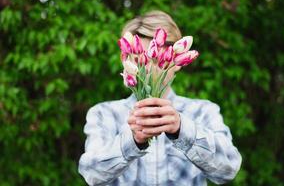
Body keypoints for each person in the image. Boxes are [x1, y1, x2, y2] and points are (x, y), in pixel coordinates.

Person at [78, 10, 242, 186]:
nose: (147, 69)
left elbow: (229, 169)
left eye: (157, 60)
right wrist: (132, 140)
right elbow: (92, 174)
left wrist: (182, 129)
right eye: (140, 59)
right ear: (124, 59)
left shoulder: (202, 111)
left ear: (178, 61)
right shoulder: (104, 114)